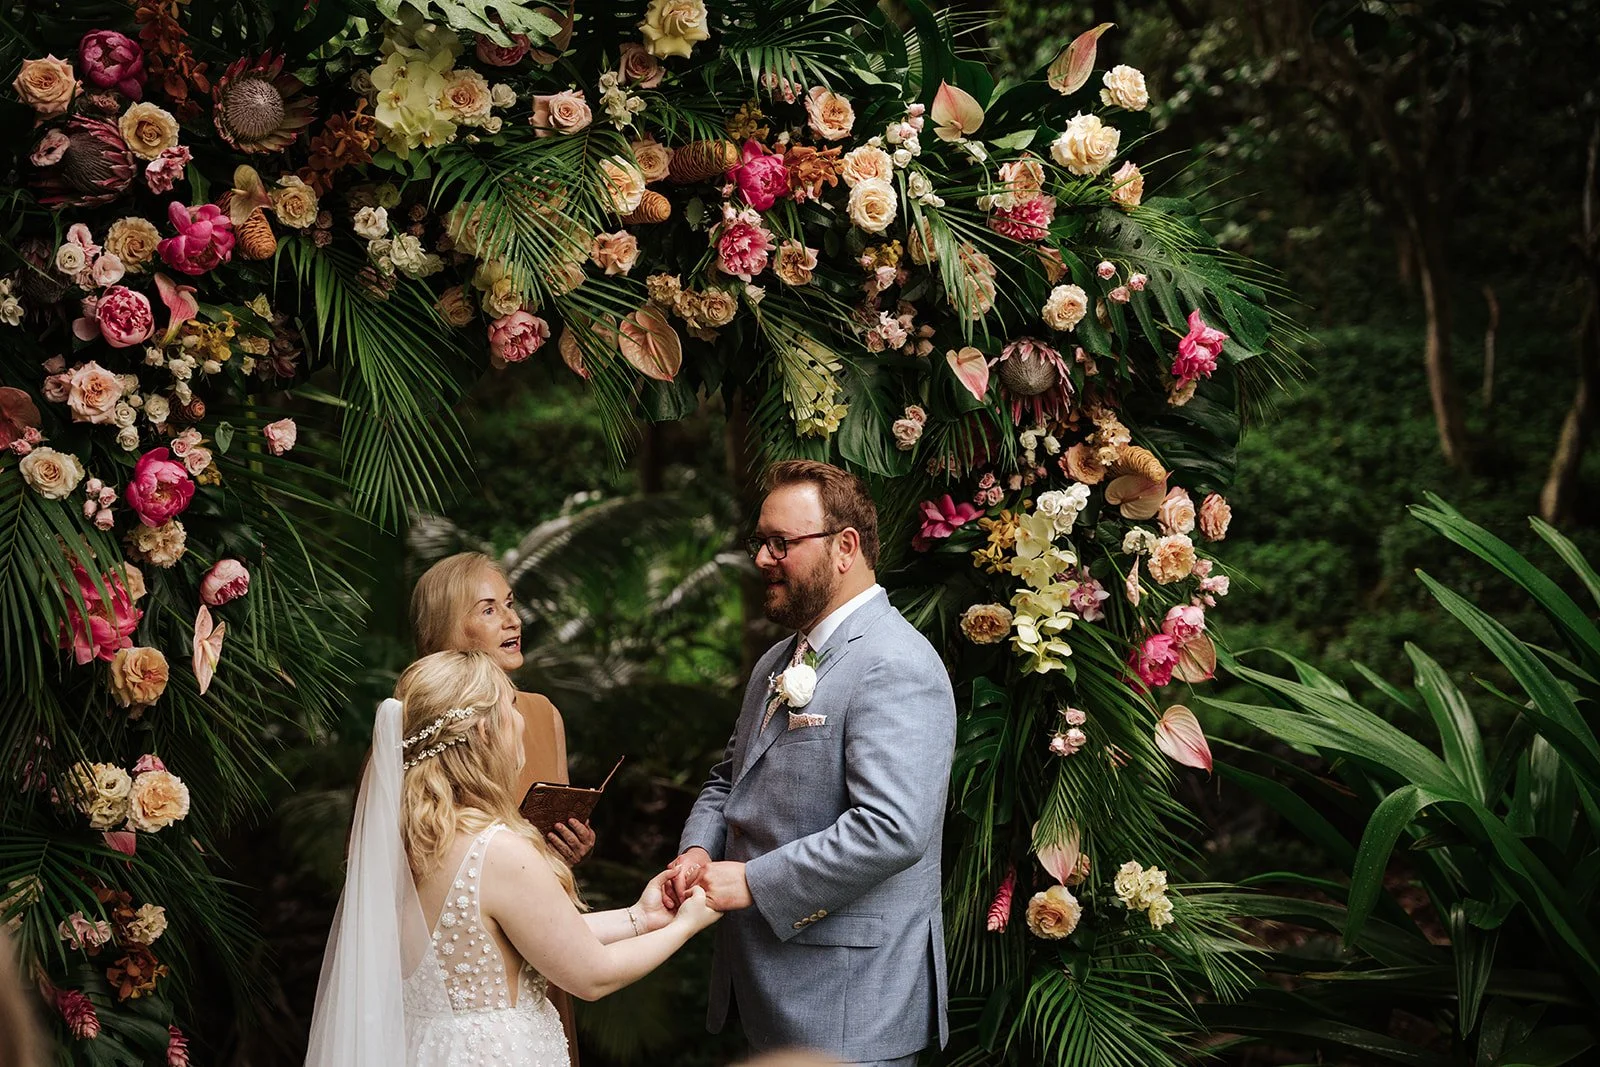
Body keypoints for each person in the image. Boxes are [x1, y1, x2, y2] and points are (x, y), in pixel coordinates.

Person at [666, 460, 956, 1067]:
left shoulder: (896, 662)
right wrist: (697, 850)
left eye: (782, 543)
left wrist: (750, 881)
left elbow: (892, 828)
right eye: (760, 542)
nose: (763, 559)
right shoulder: (778, 659)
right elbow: (730, 778)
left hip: (853, 1005)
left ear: (845, 547)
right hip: (770, 985)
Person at [305, 650, 720, 1066]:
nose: (519, 722)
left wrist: (640, 917)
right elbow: (594, 975)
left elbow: (533, 936)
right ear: (486, 731)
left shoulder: (408, 841)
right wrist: (686, 925)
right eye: (512, 707)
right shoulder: (497, 850)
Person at [411, 552, 592, 1055]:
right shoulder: (410, 728)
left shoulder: (540, 714)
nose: (513, 621)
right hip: (465, 979)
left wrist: (568, 848)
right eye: (488, 609)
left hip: (546, 950)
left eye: (509, 605)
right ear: (447, 627)